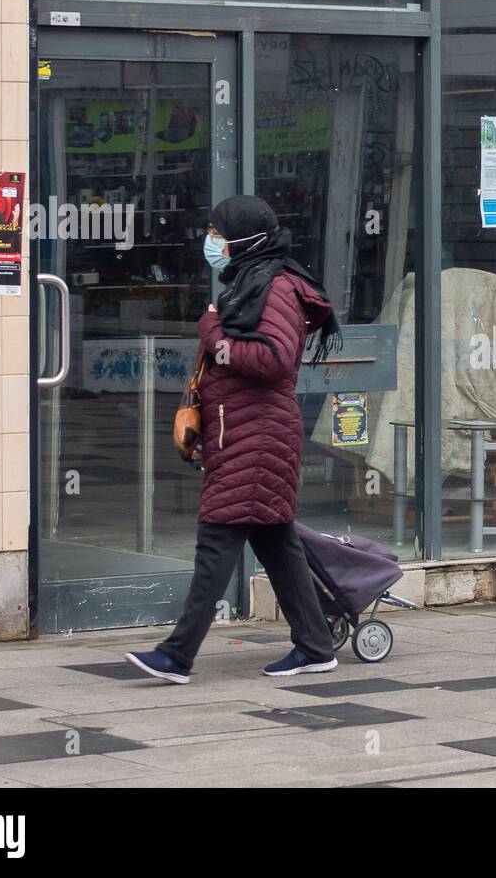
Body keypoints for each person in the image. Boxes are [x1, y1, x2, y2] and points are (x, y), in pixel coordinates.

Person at [127, 196, 343, 684]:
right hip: (243, 432)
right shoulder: (254, 281)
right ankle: (315, 646)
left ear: (244, 238)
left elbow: (272, 360)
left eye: (217, 233)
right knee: (276, 542)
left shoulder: (278, 288)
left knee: (217, 542)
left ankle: (176, 655)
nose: (212, 243)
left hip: (257, 437)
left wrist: (210, 330)